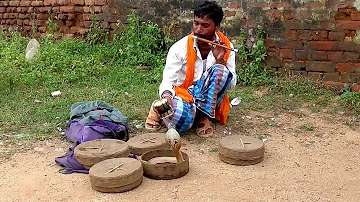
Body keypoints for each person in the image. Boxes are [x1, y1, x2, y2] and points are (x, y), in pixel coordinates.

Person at [145, 1, 237, 137]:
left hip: (206, 98)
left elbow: (230, 84)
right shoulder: (179, 48)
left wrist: (220, 60)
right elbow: (168, 81)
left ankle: (201, 116)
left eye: (205, 25)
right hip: (183, 96)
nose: (198, 30)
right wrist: (166, 97)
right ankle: (159, 108)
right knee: (178, 117)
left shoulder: (226, 47)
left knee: (222, 71)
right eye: (196, 23)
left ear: (217, 27)